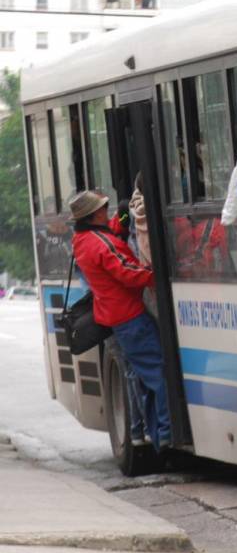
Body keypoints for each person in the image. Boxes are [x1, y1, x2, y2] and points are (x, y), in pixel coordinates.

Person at [69, 190, 171, 450]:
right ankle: (165, 433)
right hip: (130, 317)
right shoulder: (99, 244)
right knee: (158, 375)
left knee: (144, 377)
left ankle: (155, 434)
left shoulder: (83, 240)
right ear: (93, 217)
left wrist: (125, 215)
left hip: (116, 317)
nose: (107, 211)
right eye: (102, 209)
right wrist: (154, 274)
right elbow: (126, 271)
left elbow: (112, 236)